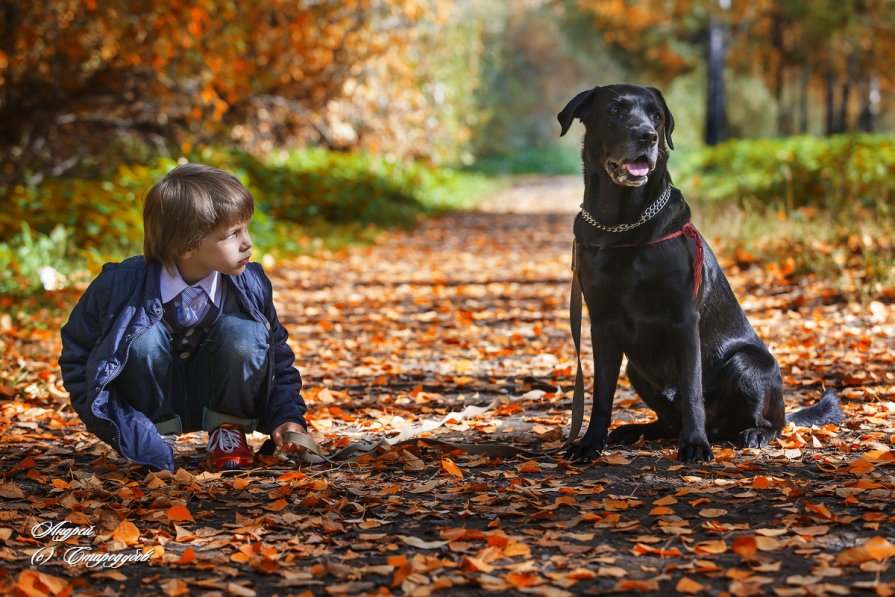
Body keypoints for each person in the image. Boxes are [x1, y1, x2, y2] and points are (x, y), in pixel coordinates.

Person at [60, 163, 309, 472]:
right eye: (232, 234)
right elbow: (79, 359)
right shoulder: (119, 285)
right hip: (150, 405)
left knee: (245, 334)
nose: (248, 243)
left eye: (245, 228)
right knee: (141, 338)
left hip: (218, 393)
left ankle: (227, 430)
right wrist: (125, 429)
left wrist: (287, 416)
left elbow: (278, 357)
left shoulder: (251, 283)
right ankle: (157, 434)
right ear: (185, 247)